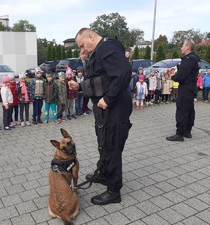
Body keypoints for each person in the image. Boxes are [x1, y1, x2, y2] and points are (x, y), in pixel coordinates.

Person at [69, 28, 132, 205]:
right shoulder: (98, 52)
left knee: (111, 145)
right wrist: (80, 87)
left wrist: (108, 98)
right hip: (104, 107)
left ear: (90, 36)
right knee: (103, 142)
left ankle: (113, 191)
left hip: (114, 106)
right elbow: (99, 80)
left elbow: (124, 72)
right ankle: (104, 173)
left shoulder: (107, 47)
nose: (83, 48)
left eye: (83, 45)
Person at [166, 40, 200, 141]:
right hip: (191, 87)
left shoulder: (188, 59)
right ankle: (187, 131)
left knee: (182, 109)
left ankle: (179, 133)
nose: (181, 48)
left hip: (185, 87)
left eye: (182, 46)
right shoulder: (196, 59)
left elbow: (181, 75)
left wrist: (173, 77)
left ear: (187, 48)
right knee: (189, 109)